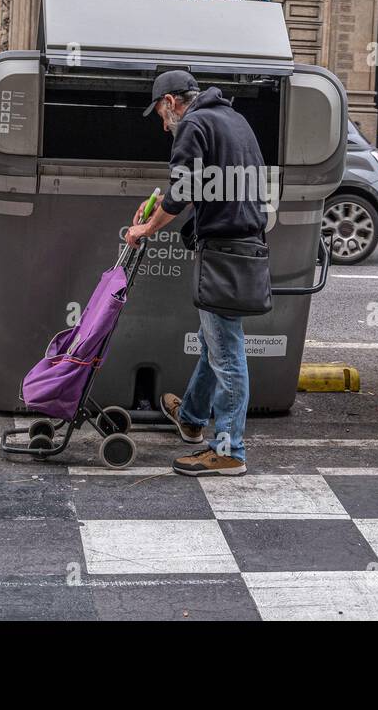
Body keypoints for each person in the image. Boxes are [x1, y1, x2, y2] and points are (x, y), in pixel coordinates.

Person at [124, 69, 266, 477]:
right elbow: (206, 182)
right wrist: (158, 200)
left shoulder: (194, 123)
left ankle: (229, 451)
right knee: (214, 341)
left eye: (162, 116)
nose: (165, 126)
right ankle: (190, 417)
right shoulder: (232, 119)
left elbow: (185, 188)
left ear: (171, 103)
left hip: (223, 252)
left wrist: (145, 229)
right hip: (245, 246)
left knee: (226, 351)